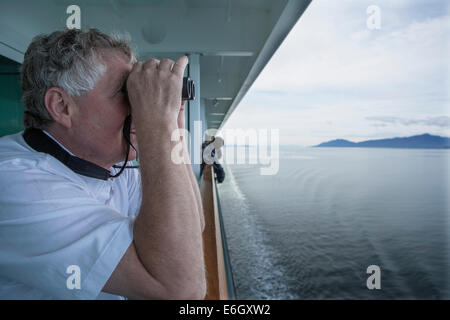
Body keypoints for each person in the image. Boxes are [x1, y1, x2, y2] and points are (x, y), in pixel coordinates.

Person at [0, 28, 206, 300]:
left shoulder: (107, 164)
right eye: (126, 92)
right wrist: (156, 124)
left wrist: (172, 128)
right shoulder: (14, 182)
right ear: (62, 107)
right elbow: (179, 289)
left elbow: (190, 227)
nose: (140, 106)